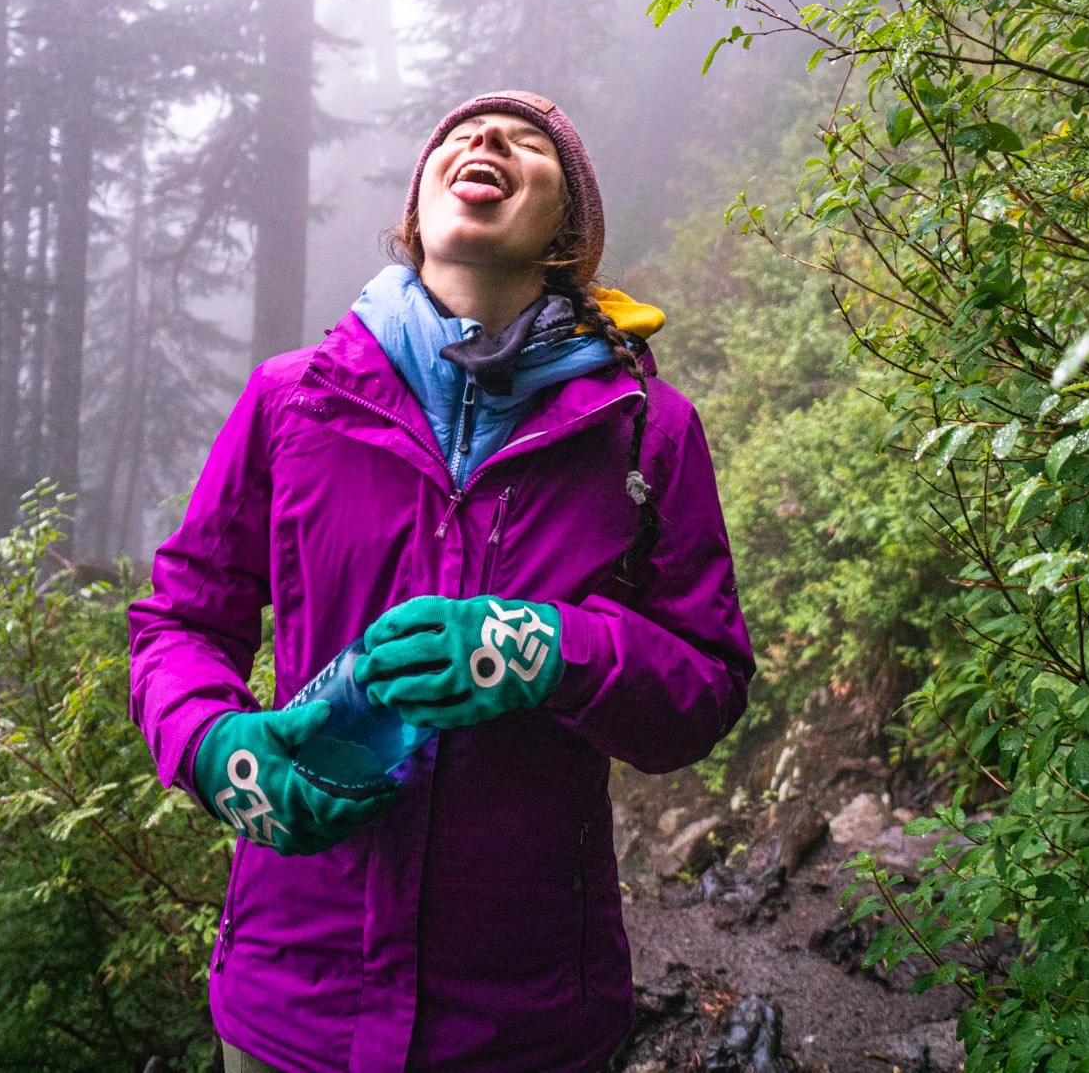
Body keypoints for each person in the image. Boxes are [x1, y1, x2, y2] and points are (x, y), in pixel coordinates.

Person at [128, 90, 754, 1073]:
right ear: (417, 215)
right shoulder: (292, 401)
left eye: (530, 142)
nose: (487, 136)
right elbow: (179, 623)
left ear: (568, 235)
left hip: (528, 1024)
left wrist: (553, 650)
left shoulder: (644, 429)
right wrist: (214, 747)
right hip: (293, 1011)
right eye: (460, 133)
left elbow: (706, 684)